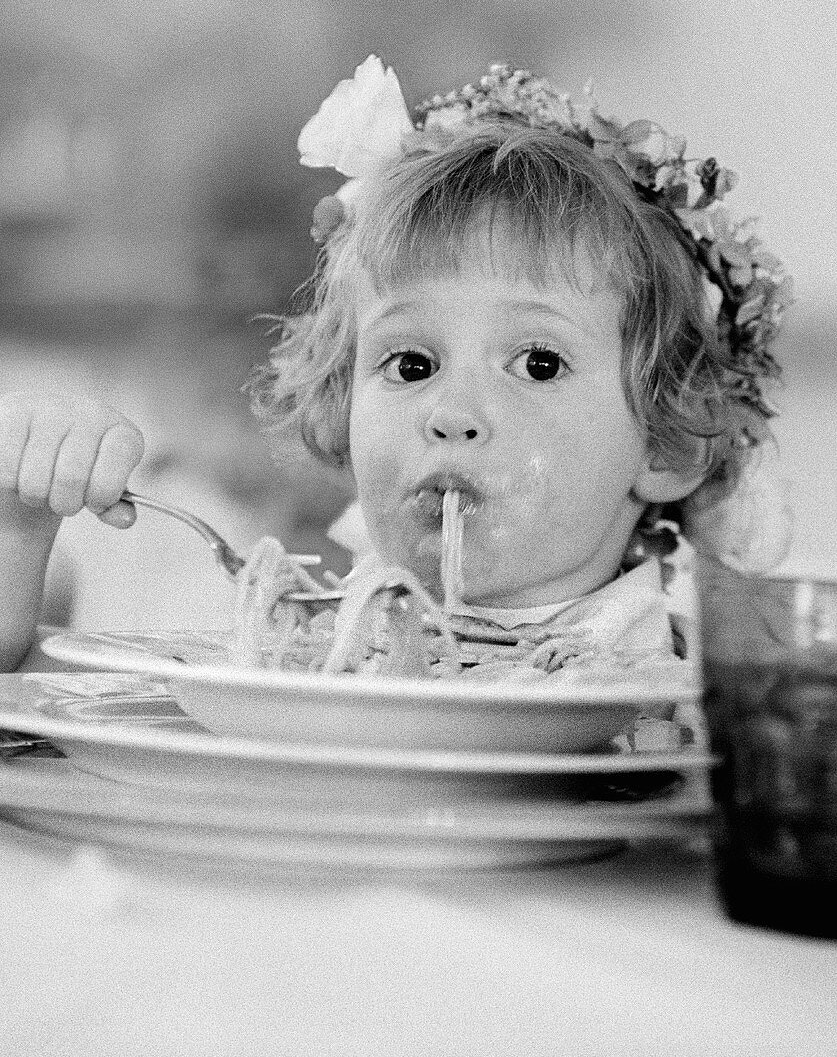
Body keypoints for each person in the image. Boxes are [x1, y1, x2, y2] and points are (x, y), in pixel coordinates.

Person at [0, 58, 794, 676]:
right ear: (341, 407)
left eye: (539, 362)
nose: (450, 411)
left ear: (667, 443)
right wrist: (16, 530)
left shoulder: (708, 708)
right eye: (411, 362)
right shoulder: (281, 654)